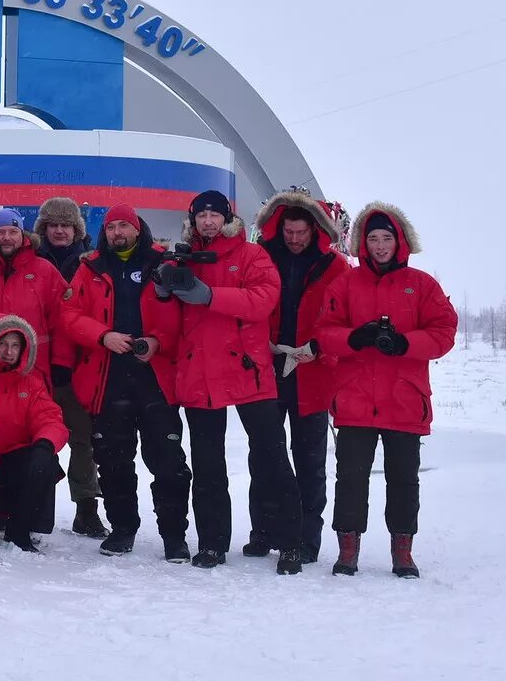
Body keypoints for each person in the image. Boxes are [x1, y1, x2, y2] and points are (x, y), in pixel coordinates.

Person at [154, 189, 303, 572]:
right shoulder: (184, 255)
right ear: (192, 220)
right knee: (208, 466)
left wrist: (209, 296)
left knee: (272, 459)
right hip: (200, 371)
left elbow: (263, 301)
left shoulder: (253, 255)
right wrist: (163, 290)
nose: (208, 221)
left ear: (228, 218)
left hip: (248, 372)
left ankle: (289, 543)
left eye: (215, 215)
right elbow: (168, 319)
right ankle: (212, 543)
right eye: (201, 215)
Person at [315, 202, 457, 579]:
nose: (379, 246)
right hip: (355, 397)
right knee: (350, 477)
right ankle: (348, 551)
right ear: (362, 242)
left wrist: (406, 344)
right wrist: (354, 338)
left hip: (404, 399)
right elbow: (324, 334)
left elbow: (444, 333)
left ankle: (403, 552)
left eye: (386, 238)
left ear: (400, 241)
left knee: (404, 480)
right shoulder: (344, 284)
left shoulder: (422, 285)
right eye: (373, 238)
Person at [57, 205, 191, 561]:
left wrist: (159, 341)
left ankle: (174, 535)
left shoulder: (164, 263)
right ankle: (122, 528)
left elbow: (184, 315)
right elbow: (69, 315)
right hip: (107, 377)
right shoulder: (90, 268)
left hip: (155, 378)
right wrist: (103, 337)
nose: (117, 232)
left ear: (137, 229)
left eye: (124, 226)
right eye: (111, 227)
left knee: (168, 461)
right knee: (114, 461)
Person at [247, 190, 352, 564]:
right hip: (267, 368)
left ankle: (308, 537)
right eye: (288, 231)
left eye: (301, 232)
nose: (294, 239)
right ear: (279, 228)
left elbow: (347, 320)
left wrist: (320, 348)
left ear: (315, 231)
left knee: (309, 460)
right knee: (263, 454)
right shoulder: (261, 260)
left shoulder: (336, 268)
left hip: (313, 371)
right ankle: (262, 530)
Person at [0, 315, 67, 552]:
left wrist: (45, 443)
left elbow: (49, 417)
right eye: (3, 344)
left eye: (15, 345)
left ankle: (21, 527)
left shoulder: (31, 382)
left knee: (44, 457)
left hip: (12, 463)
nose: (9, 351)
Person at [32, 197, 105, 540]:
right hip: (37, 367)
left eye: (66, 225)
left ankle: (86, 507)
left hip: (80, 364)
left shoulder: (91, 264)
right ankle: (27, 505)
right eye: (53, 225)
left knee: (83, 440)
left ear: (77, 229)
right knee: (34, 438)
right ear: (43, 229)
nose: (60, 231)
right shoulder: (29, 261)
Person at [0, 209, 61, 378]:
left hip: (33, 369)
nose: (7, 237)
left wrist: (61, 360)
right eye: (0, 232)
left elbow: (62, 318)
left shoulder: (44, 270)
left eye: (13, 232)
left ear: (23, 236)